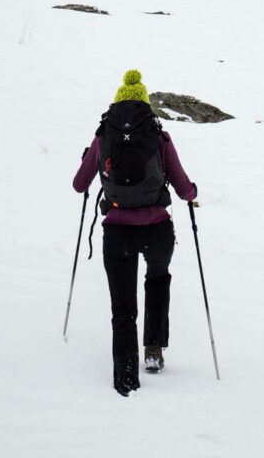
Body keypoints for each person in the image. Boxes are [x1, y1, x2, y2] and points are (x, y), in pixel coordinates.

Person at [73, 69, 197, 396]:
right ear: (145, 104)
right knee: (157, 278)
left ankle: (126, 378)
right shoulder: (159, 137)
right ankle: (153, 348)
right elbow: (183, 187)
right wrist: (192, 193)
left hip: (117, 230)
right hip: (157, 228)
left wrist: (91, 159)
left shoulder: (103, 137)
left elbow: (78, 185)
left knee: (122, 307)